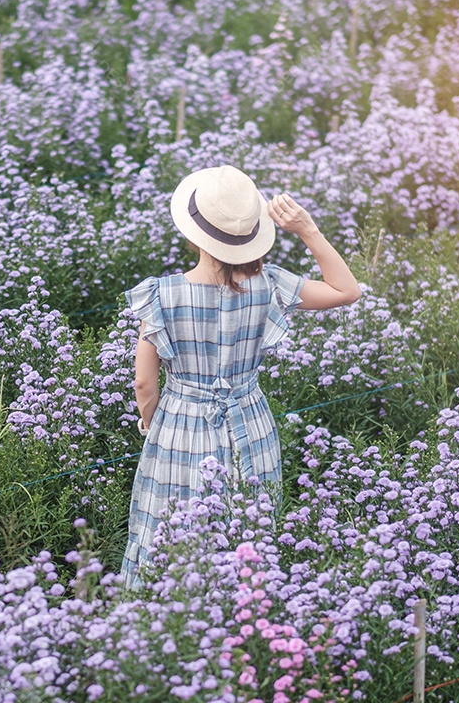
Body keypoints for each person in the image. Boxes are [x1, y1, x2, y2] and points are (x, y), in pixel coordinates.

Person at [120, 165, 361, 588]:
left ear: (194, 233)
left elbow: (144, 383)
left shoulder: (162, 294)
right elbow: (346, 290)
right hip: (250, 421)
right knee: (250, 531)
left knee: (172, 531)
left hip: (180, 423)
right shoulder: (268, 285)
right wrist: (308, 231)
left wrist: (150, 421)